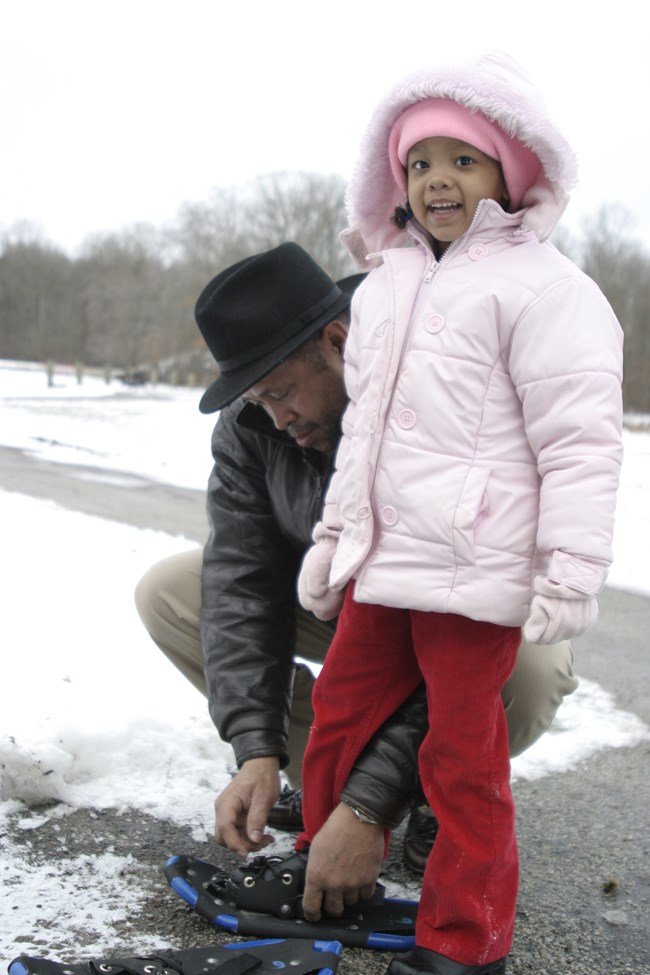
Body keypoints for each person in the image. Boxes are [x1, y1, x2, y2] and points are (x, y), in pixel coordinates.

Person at [296, 53, 623, 974]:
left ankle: (463, 938)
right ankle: (328, 867)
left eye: (463, 160)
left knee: (460, 758)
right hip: (386, 557)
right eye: (419, 163)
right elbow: (363, 433)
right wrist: (334, 538)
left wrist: (569, 566)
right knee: (339, 710)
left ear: (509, 172)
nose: (437, 179)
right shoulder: (386, 286)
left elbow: (581, 442)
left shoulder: (549, 291)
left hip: (476, 571)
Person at [134, 241, 576, 877]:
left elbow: (467, 618)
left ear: (339, 342)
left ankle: (418, 791)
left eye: (280, 393)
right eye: (257, 398)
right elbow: (242, 582)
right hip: (341, 605)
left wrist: (370, 805)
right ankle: (323, 774)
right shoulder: (252, 424)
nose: (275, 418)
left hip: (466, 611)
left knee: (529, 674)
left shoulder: (439, 398)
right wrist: (254, 748)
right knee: (171, 590)